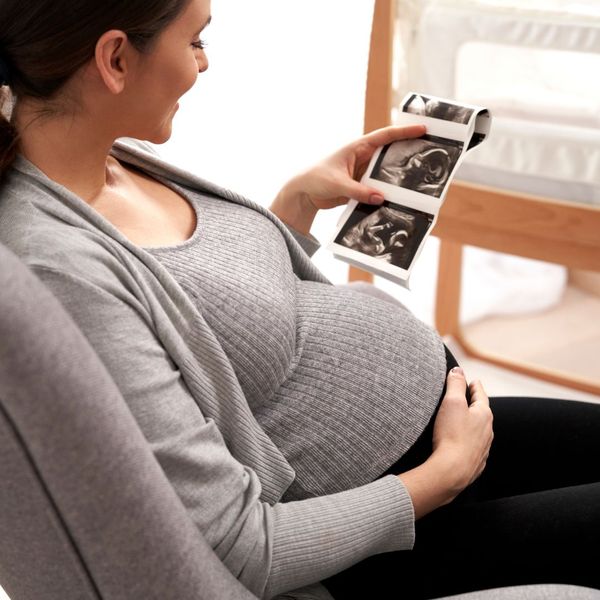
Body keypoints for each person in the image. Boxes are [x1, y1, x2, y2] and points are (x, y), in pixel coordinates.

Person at [0, 1, 598, 599]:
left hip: (431, 444)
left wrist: (295, 206)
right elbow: (240, 543)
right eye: (196, 42)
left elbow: (209, 318)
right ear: (115, 59)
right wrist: (438, 479)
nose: (204, 64)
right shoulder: (61, 272)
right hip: (389, 530)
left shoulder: (111, 158)